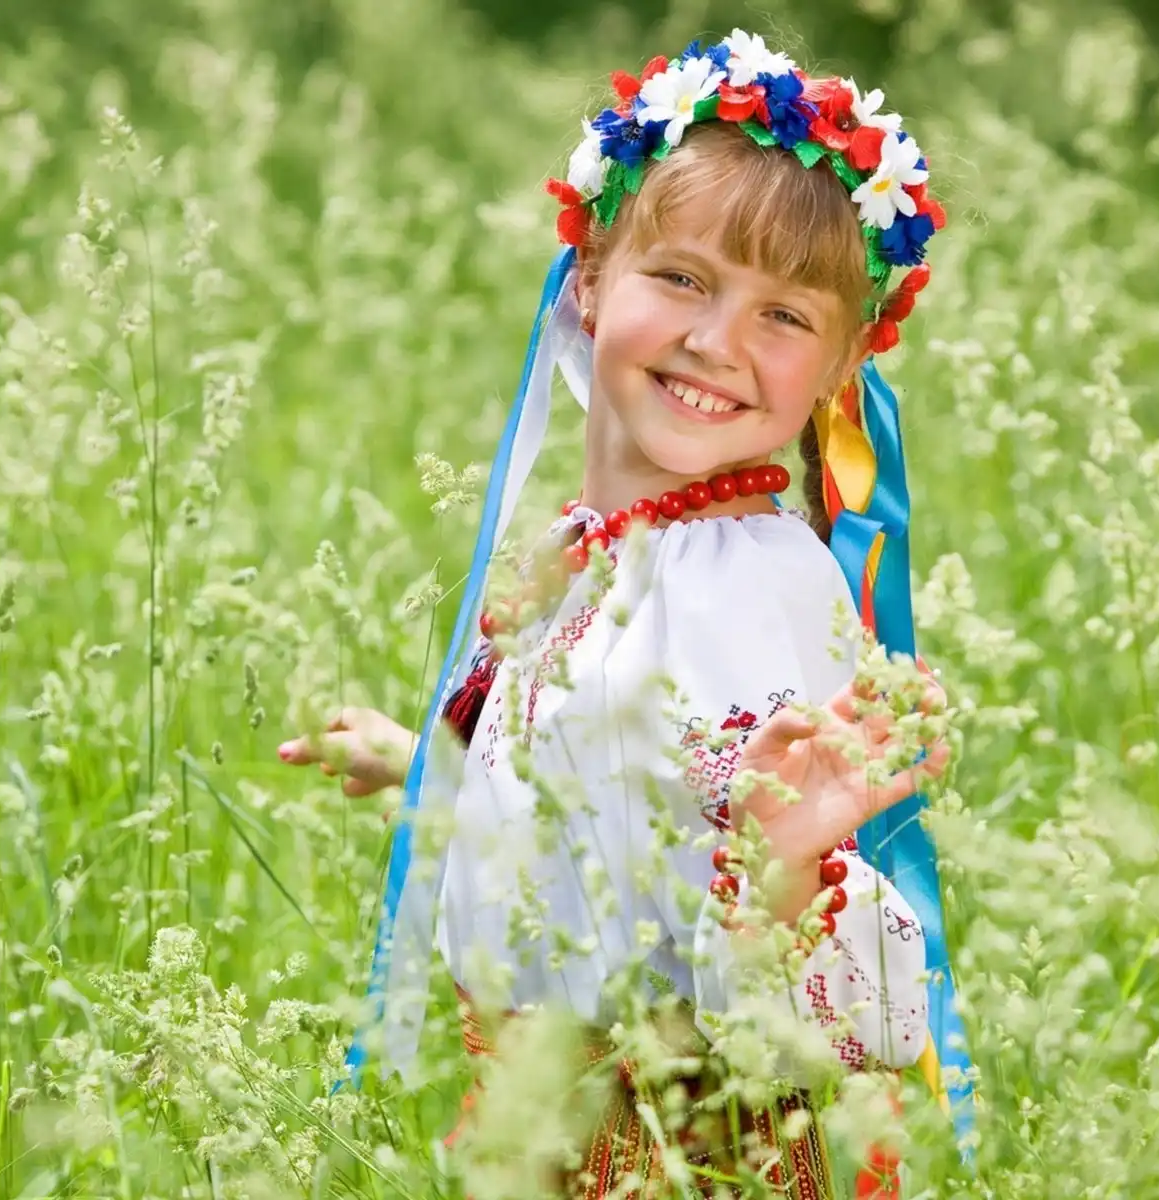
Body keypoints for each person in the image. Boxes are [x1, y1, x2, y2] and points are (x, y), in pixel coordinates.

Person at [281, 30, 971, 1196]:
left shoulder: (752, 580)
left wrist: (787, 866)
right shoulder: (591, 555)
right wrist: (429, 776)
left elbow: (815, 982)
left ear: (842, 364)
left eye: (784, 318)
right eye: (685, 279)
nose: (718, 342)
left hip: (697, 1139)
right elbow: (605, 818)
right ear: (591, 274)